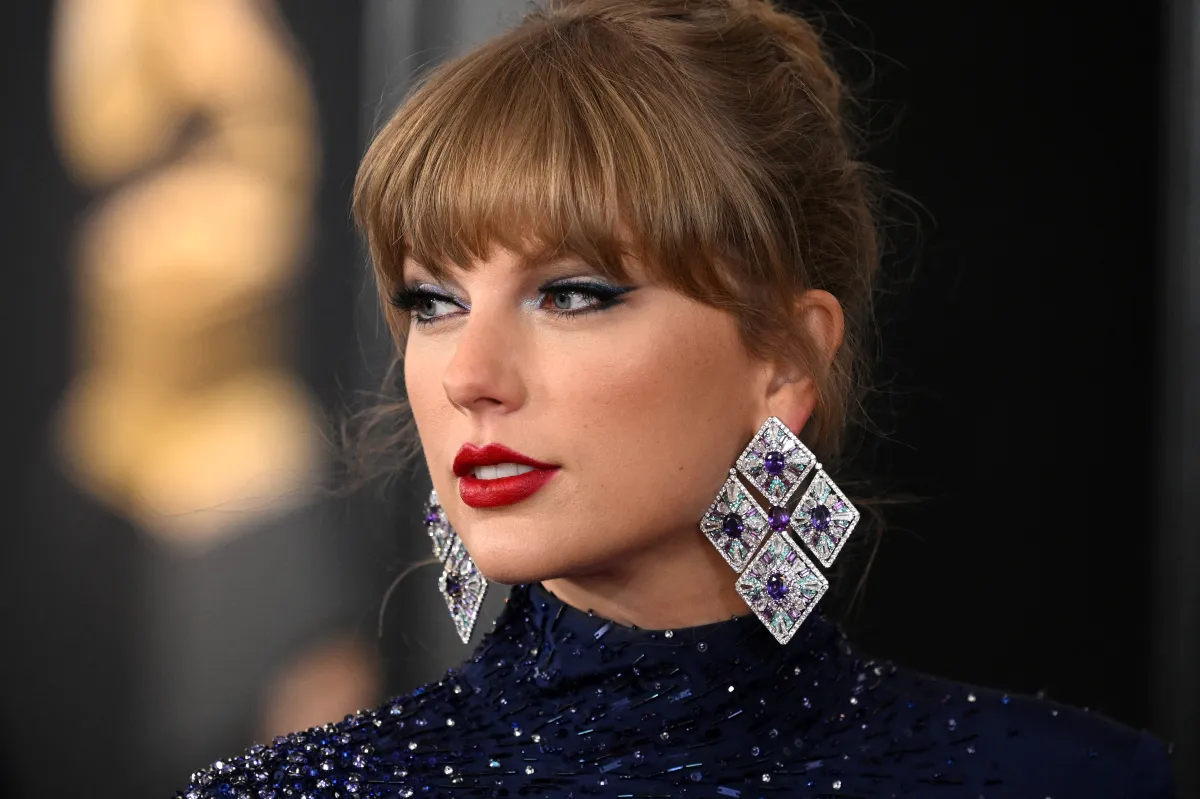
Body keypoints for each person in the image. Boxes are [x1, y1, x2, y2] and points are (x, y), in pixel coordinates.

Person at [176, 0, 1176, 796]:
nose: (468, 374)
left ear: (783, 361)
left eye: (572, 293)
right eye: (433, 301)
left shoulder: (1074, 780)